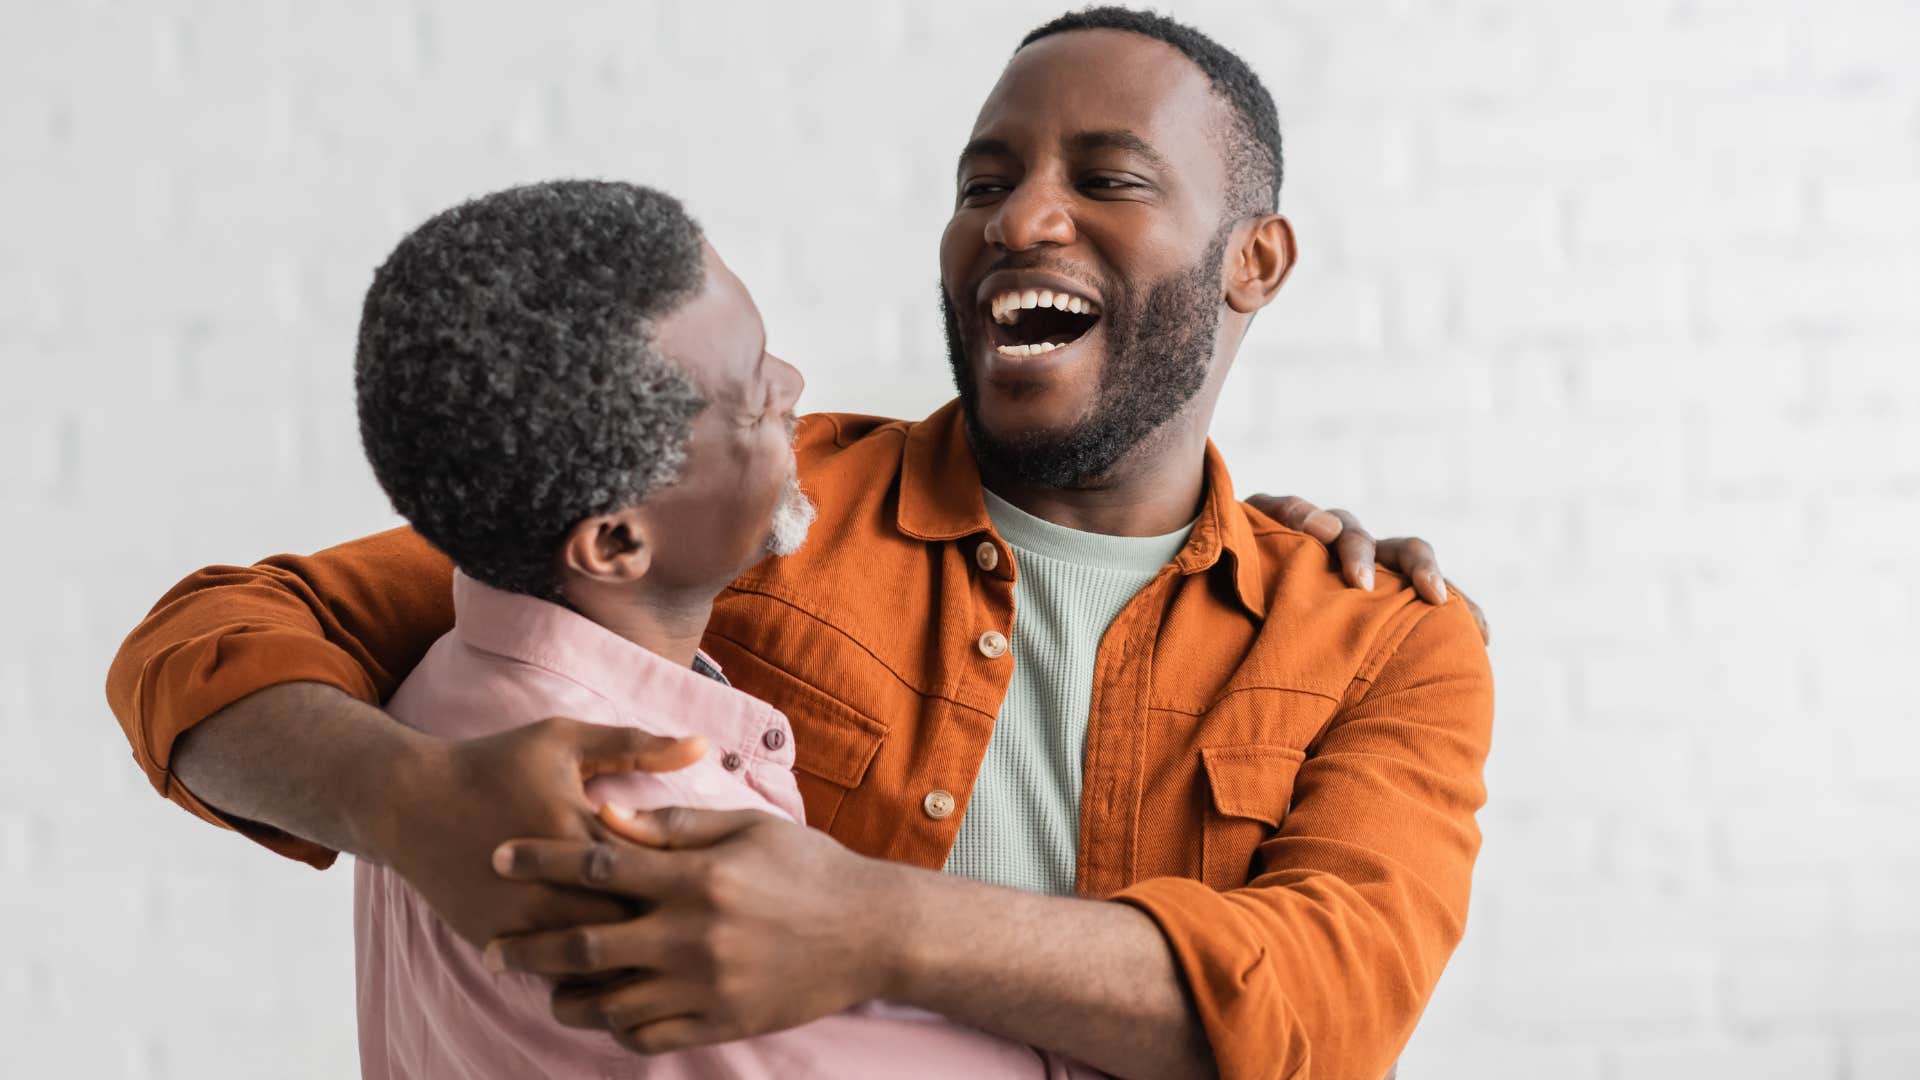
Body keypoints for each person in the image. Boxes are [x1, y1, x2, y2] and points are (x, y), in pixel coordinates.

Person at [106, 9, 1492, 1079]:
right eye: (983, 180)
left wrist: (870, 925)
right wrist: (408, 804)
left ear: (1255, 261)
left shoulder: (1379, 630)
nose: (1016, 218)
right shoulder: (750, 496)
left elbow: (1331, 1002)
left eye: (1108, 176)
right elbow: (210, 643)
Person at [349, 178, 1096, 1078]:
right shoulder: (654, 849)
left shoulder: (434, 700)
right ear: (619, 540)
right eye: (751, 396)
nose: (793, 389)